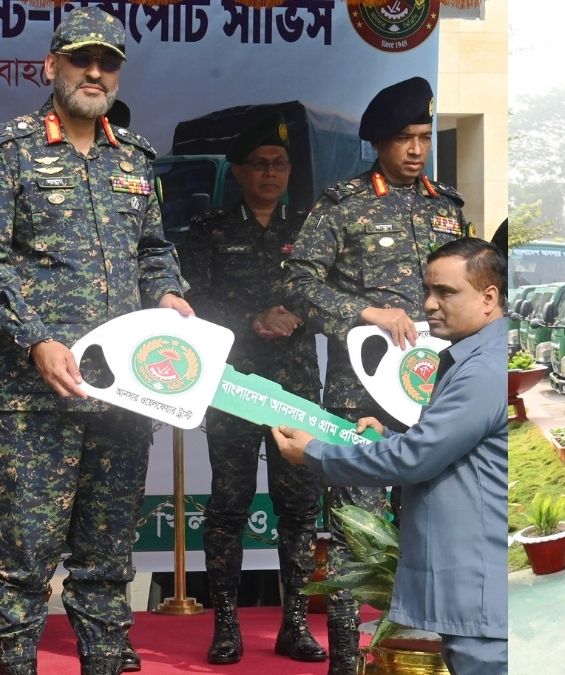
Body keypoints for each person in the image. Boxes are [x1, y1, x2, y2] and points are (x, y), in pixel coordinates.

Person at [0, 8, 193, 675]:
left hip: (122, 394)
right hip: (35, 399)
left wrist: (166, 293)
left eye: (108, 62)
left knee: (107, 563)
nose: (94, 71)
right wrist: (36, 339)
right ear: (50, 66)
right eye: (81, 59)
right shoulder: (13, 150)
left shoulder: (134, 157)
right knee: (21, 565)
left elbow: (153, 249)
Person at [283, 76, 469, 674]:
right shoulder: (343, 205)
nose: (416, 150)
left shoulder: (448, 208)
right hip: (358, 396)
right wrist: (365, 312)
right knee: (354, 537)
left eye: (424, 137)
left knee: (429, 528)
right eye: (404, 138)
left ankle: (417, 658)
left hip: (433, 399)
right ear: (379, 142)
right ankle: (347, 663)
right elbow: (298, 285)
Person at [274, 237, 507, 675]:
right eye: (428, 290)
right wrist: (390, 435)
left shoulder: (482, 369)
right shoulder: (476, 358)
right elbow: (453, 451)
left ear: (489, 297)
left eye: (446, 292)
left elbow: (415, 459)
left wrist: (315, 453)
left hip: (477, 590)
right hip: (473, 586)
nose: (429, 304)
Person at [179, 114, 326, 666]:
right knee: (228, 507)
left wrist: (296, 314)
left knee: (299, 511)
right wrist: (252, 320)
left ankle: (295, 626)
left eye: (279, 163)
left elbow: (330, 293)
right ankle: (225, 627)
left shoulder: (310, 228)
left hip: (295, 391)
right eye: (259, 164)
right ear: (238, 172)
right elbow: (193, 302)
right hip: (233, 387)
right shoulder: (209, 229)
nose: (270, 173)